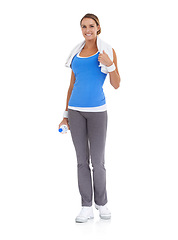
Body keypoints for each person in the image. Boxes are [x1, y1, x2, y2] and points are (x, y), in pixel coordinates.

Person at [58, 13, 121, 223]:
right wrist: (65, 115)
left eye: (91, 26)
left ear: (98, 27)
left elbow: (116, 83)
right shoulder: (76, 53)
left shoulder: (107, 51)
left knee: (98, 162)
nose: (88, 30)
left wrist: (110, 65)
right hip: (75, 112)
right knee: (81, 162)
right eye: (84, 26)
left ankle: (101, 204)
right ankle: (86, 206)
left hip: (97, 112)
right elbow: (71, 86)